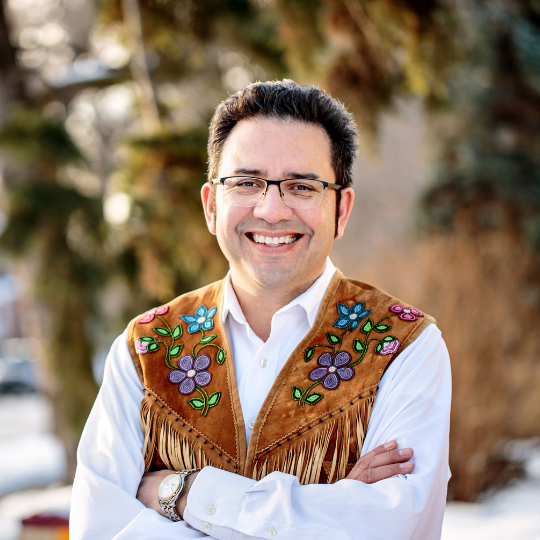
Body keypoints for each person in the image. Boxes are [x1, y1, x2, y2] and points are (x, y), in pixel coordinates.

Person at [70, 80, 451, 539]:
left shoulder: (403, 346)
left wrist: (185, 493)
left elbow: (389, 529)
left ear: (341, 210)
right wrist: (327, 509)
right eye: (247, 183)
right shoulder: (146, 349)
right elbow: (100, 530)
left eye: (302, 186)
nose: (271, 210)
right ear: (212, 206)